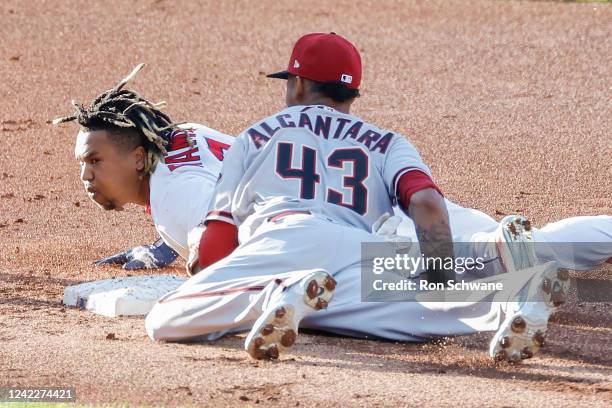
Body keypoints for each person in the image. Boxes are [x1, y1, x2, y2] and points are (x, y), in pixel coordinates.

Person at [143, 33, 612, 363]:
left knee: (166, 319)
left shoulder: (255, 135)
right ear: (351, 93)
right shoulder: (386, 141)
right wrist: (437, 275)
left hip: (283, 239)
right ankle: (513, 294)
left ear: (299, 85)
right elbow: (427, 204)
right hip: (357, 252)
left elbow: (216, 239)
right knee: (408, 311)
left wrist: (212, 278)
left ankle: (279, 290)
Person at [53, 64, 233, 266]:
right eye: (81, 163)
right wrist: (169, 243)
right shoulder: (183, 134)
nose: (85, 175)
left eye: (95, 161)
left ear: (139, 158)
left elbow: (216, 243)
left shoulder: (171, 195)